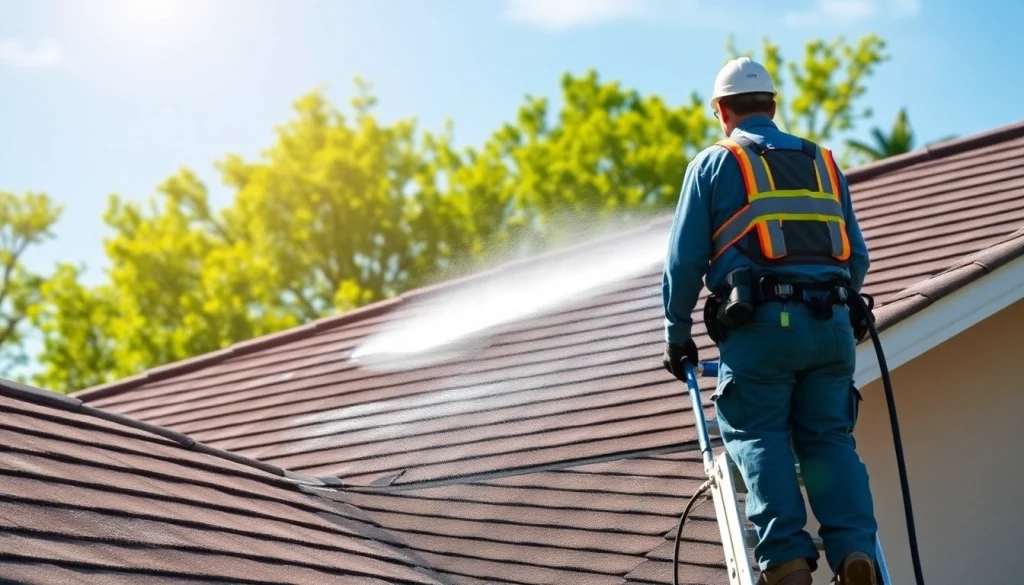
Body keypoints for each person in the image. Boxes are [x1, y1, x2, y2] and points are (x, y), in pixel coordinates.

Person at [660, 57, 879, 585]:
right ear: (773, 106)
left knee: (758, 434)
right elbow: (858, 261)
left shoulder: (714, 164)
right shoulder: (824, 162)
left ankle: (784, 560)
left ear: (722, 111)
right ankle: (855, 552)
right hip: (831, 328)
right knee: (828, 438)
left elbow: (684, 261)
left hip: (761, 330)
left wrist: (678, 335)